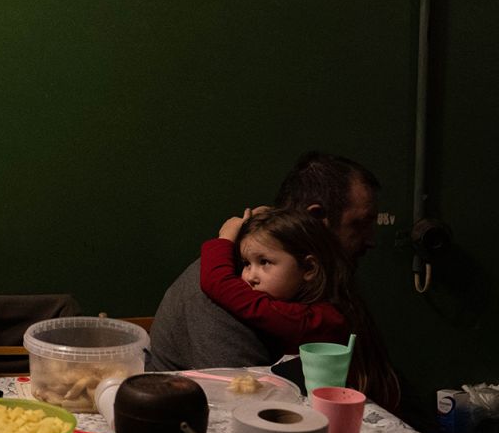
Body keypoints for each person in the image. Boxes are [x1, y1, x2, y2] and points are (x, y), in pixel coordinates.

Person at [148, 151, 399, 409]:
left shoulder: (321, 288)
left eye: (264, 261)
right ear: (316, 218)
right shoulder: (233, 286)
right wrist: (223, 243)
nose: (371, 240)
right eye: (359, 224)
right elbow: (248, 405)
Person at [200, 208, 351, 355]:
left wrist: (226, 237)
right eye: (246, 263)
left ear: (309, 268)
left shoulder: (313, 320)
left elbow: (218, 281)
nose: (250, 277)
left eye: (264, 262)